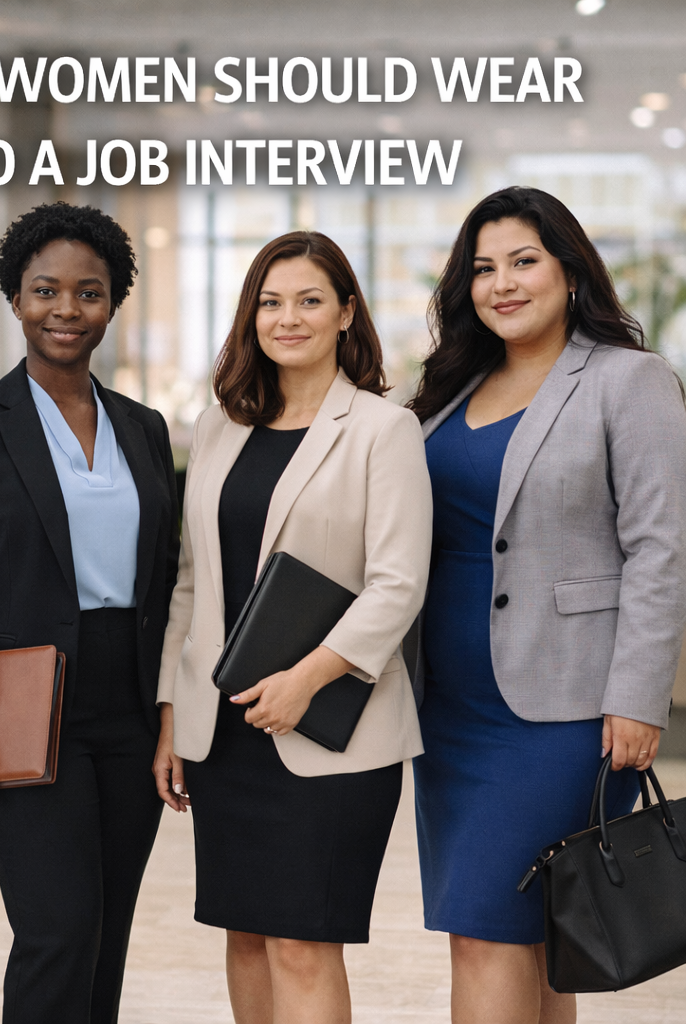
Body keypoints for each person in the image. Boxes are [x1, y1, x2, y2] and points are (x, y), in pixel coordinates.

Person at [408, 186, 686, 1024]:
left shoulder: (627, 381)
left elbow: (660, 549)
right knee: (532, 937)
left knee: (486, 934)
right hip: (449, 711)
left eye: (524, 261)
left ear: (569, 269)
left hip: (562, 711)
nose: (504, 283)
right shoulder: (447, 392)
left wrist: (638, 699)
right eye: (484, 268)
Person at [154, 231, 432, 1024]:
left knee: (303, 944)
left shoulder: (384, 429)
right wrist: (174, 713)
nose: (289, 318)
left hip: (329, 733)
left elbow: (397, 584)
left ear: (346, 312)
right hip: (226, 731)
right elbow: (190, 582)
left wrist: (305, 679)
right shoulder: (218, 428)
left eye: (310, 300)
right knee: (244, 935)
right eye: (271, 302)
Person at [0, 201, 180, 1024]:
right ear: (15, 297)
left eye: (89, 292)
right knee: (57, 928)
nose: (67, 310)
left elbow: (169, 584)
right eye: (45, 290)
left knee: (107, 928)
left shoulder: (143, 428)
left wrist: (173, 716)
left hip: (128, 707)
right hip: (23, 705)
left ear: (113, 301)